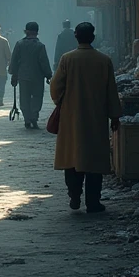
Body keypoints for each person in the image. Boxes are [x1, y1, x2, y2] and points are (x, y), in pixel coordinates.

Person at [50, 21, 122, 214]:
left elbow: (56, 87)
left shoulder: (67, 59)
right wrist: (114, 115)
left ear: (76, 37)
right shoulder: (103, 60)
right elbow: (111, 91)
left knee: (72, 158)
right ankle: (93, 202)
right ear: (93, 37)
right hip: (96, 117)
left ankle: (74, 195)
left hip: (71, 117)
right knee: (94, 161)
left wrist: (61, 102)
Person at [9, 21, 52, 129]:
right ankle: (34, 115)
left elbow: (14, 61)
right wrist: (48, 75)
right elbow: (44, 62)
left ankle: (27, 118)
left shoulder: (19, 44)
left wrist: (14, 74)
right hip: (38, 77)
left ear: (25, 31)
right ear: (37, 32)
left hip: (23, 76)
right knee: (37, 97)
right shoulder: (40, 46)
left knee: (24, 97)